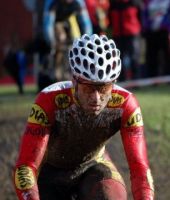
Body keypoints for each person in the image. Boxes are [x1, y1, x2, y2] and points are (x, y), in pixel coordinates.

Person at [13, 34, 154, 200]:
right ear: (74, 81)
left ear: (114, 83)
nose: (96, 98)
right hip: (48, 173)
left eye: (103, 89)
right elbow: (26, 166)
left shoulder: (126, 104)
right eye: (88, 88)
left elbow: (140, 168)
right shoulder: (49, 101)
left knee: (111, 196)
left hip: (93, 167)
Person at [108, 0, 142, 81]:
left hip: (132, 33)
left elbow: (140, 16)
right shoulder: (113, 4)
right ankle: (122, 80)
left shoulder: (134, 2)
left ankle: (136, 80)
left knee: (134, 57)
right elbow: (110, 19)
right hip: (118, 34)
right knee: (118, 58)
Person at [141, 0, 170, 77]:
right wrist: (146, 28)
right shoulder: (149, 2)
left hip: (164, 32)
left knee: (167, 55)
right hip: (151, 33)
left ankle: (167, 75)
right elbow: (145, 15)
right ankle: (152, 76)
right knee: (151, 56)